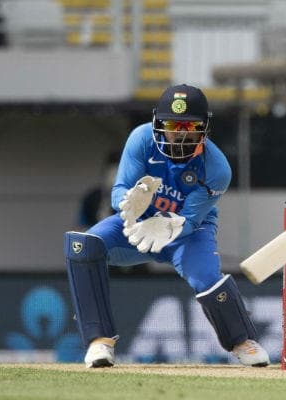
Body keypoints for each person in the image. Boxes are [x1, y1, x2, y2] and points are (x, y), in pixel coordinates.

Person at [65, 84, 269, 368]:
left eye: (190, 126)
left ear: (204, 128)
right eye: (173, 125)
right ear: (158, 124)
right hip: (138, 227)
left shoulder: (217, 168)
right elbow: (118, 191)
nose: (181, 134)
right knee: (84, 246)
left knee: (207, 279)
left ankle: (242, 341)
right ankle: (100, 342)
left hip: (187, 233)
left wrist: (169, 227)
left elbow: (192, 219)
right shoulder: (141, 139)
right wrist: (129, 204)